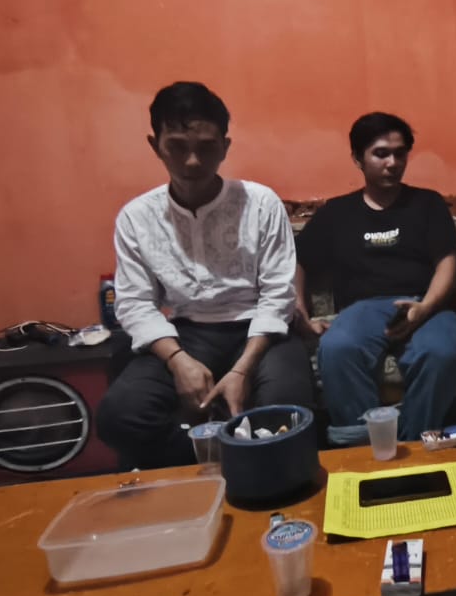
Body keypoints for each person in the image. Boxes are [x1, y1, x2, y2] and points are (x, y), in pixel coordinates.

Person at [96, 82, 314, 469]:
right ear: (155, 145)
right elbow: (135, 303)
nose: (193, 161)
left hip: (261, 333)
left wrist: (242, 369)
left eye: (207, 147)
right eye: (178, 146)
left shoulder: (260, 203)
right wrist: (178, 360)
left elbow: (278, 294)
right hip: (187, 333)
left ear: (225, 147)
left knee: (285, 409)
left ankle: (257, 473)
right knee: (119, 417)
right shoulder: (137, 217)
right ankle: (213, 466)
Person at [294, 112, 456, 444]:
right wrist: (301, 314)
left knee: (440, 352)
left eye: (400, 154)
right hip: (363, 309)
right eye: (381, 154)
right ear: (358, 159)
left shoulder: (427, 204)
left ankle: (415, 444)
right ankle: (365, 445)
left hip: (426, 304)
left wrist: (425, 308)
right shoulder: (337, 212)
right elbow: (298, 261)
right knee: (337, 347)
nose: (392, 163)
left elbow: (448, 261)